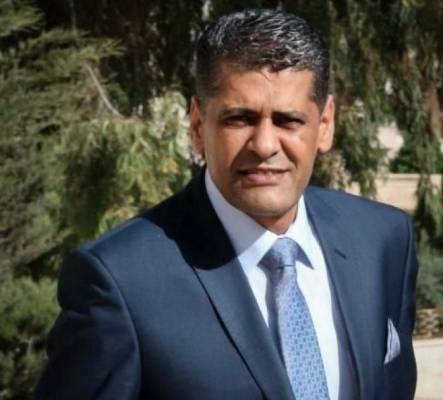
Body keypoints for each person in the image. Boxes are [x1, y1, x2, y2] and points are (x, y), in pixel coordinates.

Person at [35, 8, 418, 400]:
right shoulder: (119, 282)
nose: (264, 145)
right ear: (198, 126)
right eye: (240, 119)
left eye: (287, 120)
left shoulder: (383, 239)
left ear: (325, 125)